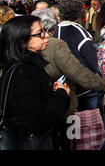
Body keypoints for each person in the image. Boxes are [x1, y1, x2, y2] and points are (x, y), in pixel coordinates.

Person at [32, 8, 105, 149]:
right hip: (61, 106)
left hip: (38, 114)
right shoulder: (56, 44)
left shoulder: (17, 49)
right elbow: (78, 72)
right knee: (69, 138)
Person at [0, 16, 70, 150]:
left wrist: (52, 92)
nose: (46, 36)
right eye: (40, 33)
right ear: (22, 41)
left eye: (45, 31)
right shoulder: (23, 74)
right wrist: (62, 94)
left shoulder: (23, 66)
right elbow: (39, 121)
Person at [54, 0, 102, 111]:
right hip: (84, 87)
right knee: (88, 117)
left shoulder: (56, 30)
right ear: (79, 14)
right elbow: (93, 62)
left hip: (65, 84)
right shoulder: (81, 33)